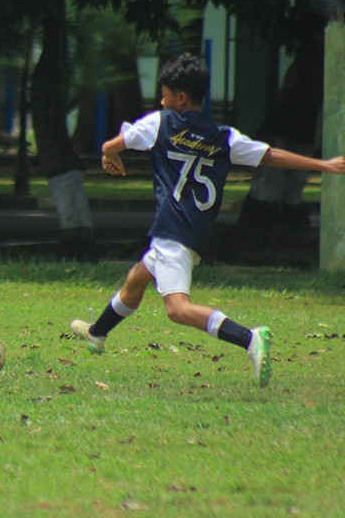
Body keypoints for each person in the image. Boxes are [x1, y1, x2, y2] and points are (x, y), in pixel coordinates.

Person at [70, 52, 345, 388]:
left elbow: (112, 144)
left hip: (173, 231)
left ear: (180, 98)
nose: (161, 101)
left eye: (165, 94)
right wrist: (323, 165)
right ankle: (97, 333)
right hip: (196, 232)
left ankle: (249, 338)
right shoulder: (224, 137)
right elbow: (270, 155)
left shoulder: (161, 123)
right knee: (137, 278)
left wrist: (109, 155)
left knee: (177, 309)